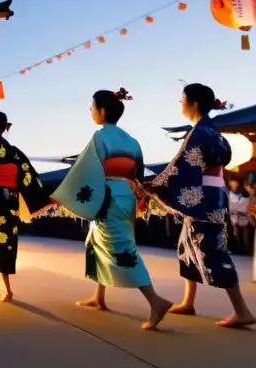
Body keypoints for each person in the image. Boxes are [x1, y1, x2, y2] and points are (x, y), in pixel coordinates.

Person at [53, 88, 172, 330]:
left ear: (102, 111)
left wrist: (63, 193)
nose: (90, 111)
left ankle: (156, 301)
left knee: (122, 248)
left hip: (107, 195)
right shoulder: (132, 140)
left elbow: (84, 169)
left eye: (92, 107)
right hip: (125, 194)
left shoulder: (100, 137)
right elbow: (137, 173)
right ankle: (99, 296)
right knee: (96, 242)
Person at [149, 83, 256, 328]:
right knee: (187, 246)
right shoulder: (212, 131)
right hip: (212, 193)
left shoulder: (199, 133)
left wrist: (154, 184)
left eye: (182, 99)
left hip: (202, 196)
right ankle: (188, 301)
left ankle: (242, 310)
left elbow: (180, 167)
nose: (181, 103)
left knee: (214, 250)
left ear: (194, 103)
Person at [0, 109, 53, 302]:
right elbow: (28, 176)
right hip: (10, 200)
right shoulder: (15, 153)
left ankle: (6, 288)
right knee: (6, 240)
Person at [227, 178, 252, 255]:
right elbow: (230, 206)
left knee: (245, 233)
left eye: (235, 183)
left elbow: (247, 204)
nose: (233, 185)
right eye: (231, 183)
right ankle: (239, 248)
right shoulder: (229, 193)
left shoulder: (244, 193)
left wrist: (238, 209)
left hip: (244, 216)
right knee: (236, 233)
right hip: (234, 216)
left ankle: (246, 249)